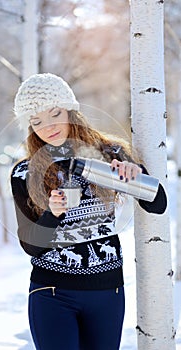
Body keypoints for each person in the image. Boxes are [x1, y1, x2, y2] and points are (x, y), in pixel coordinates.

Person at [11, 73, 167, 350]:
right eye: (36, 121)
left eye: (54, 113)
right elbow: (30, 245)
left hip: (106, 292)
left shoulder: (109, 153)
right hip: (52, 293)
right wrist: (52, 214)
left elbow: (157, 204)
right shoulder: (26, 171)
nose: (47, 126)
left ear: (71, 109)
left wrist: (136, 174)